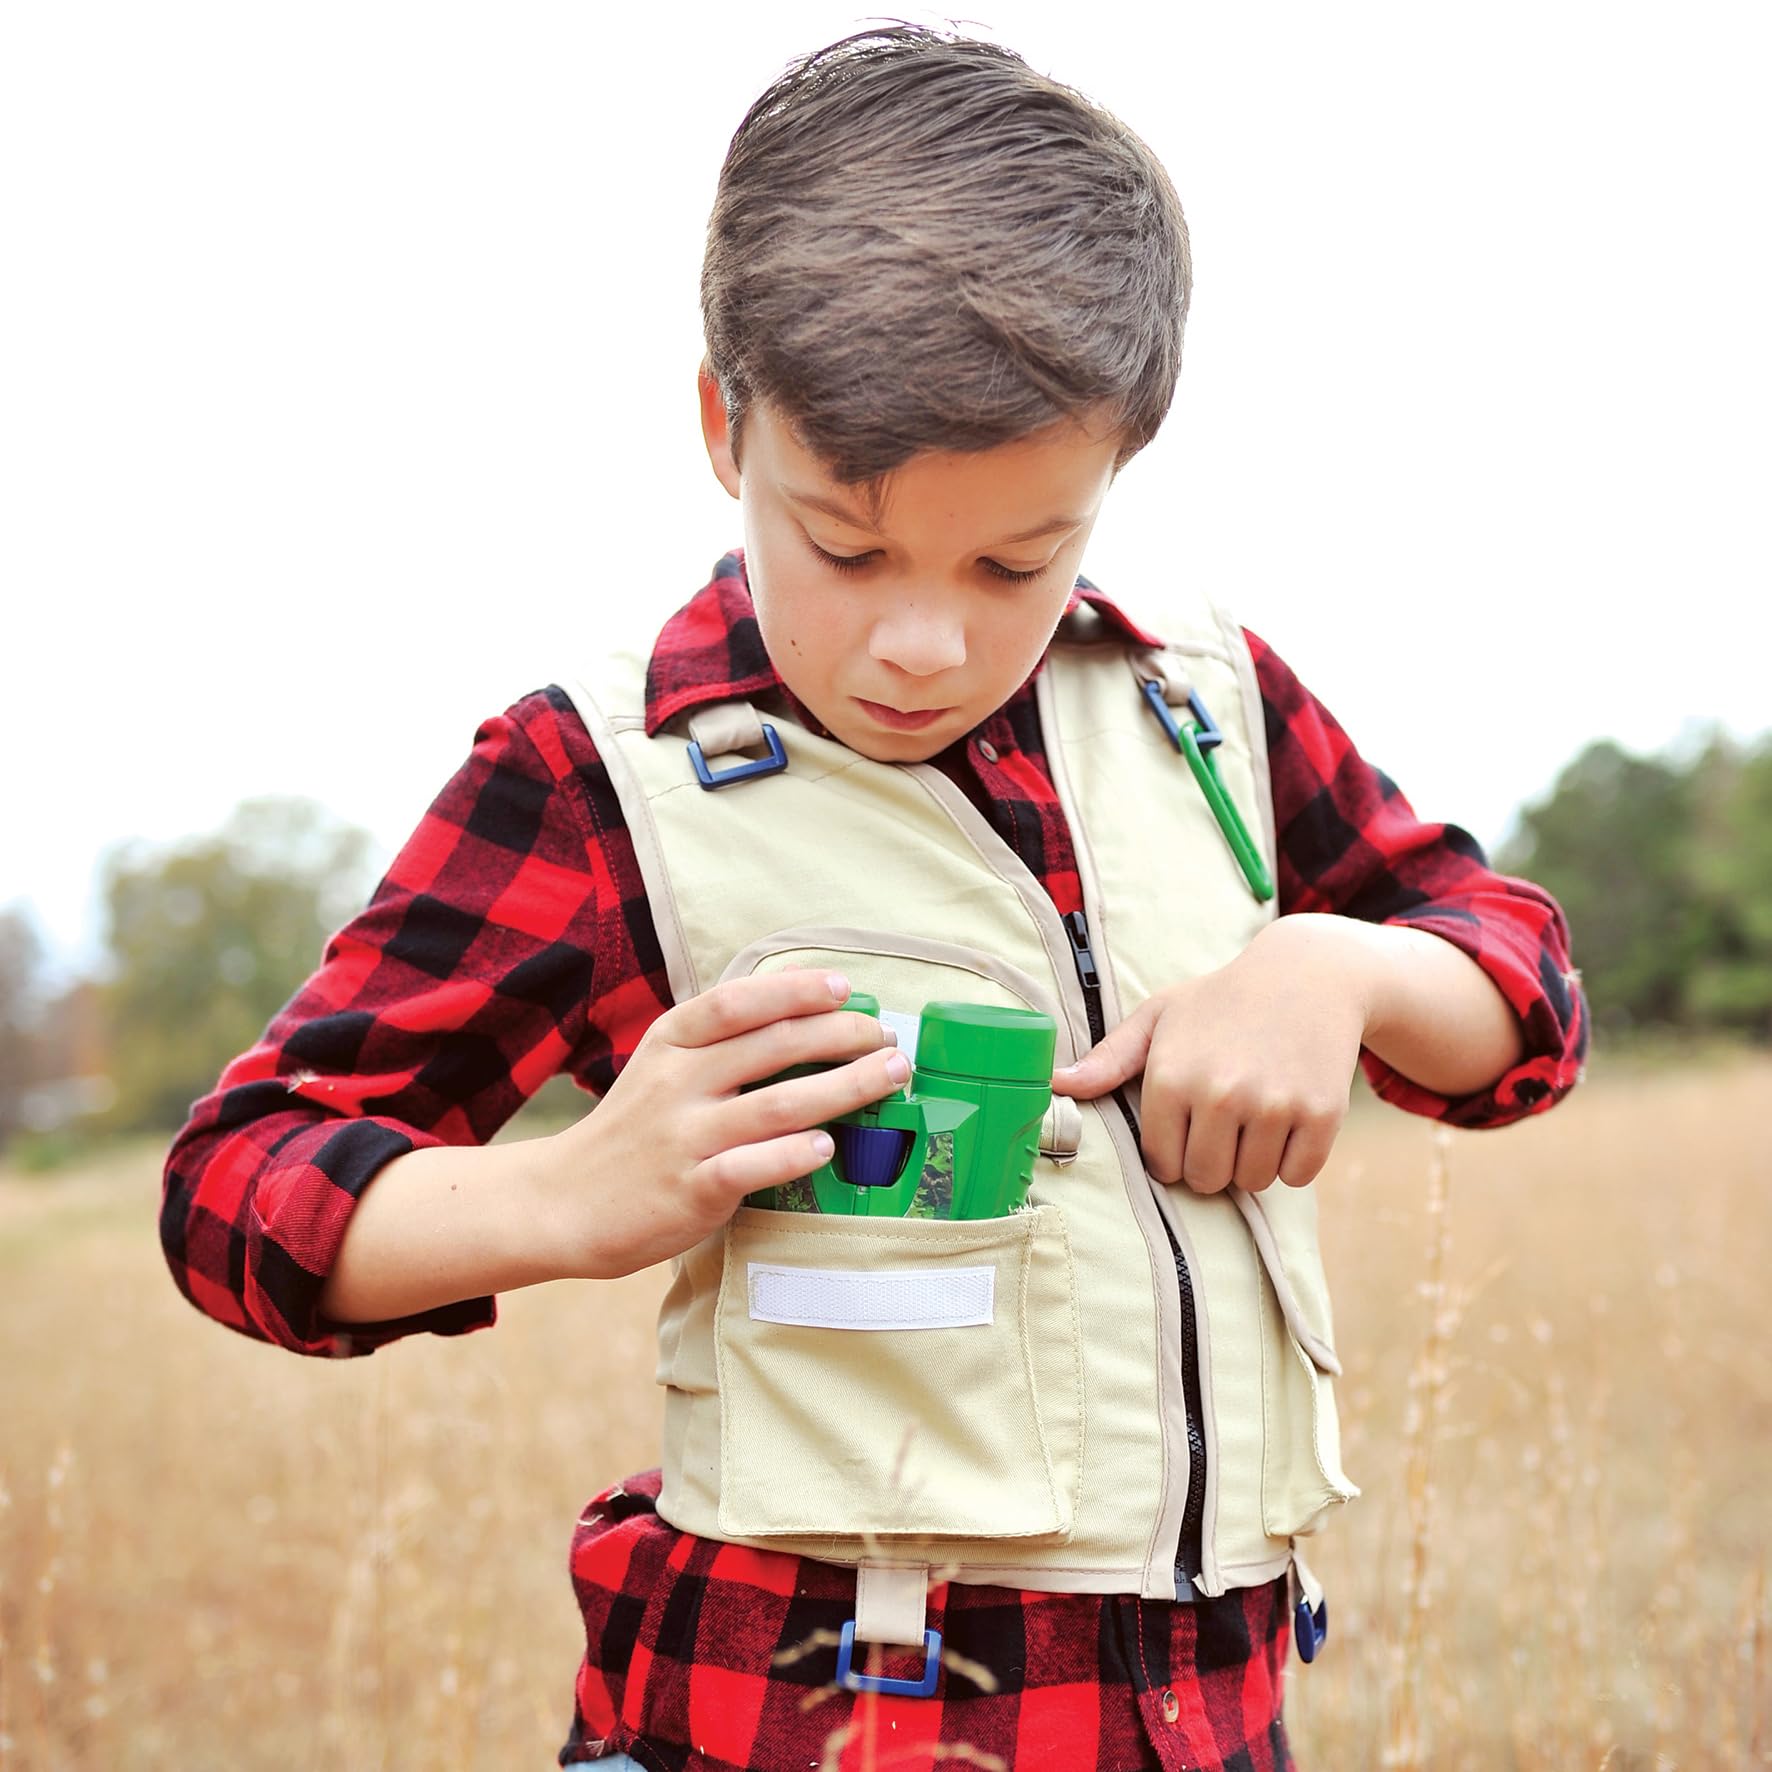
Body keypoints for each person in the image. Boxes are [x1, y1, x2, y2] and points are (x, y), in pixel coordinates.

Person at [161, 25, 1588, 1771]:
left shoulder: (1202, 699)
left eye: (1016, 560)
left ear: (1116, 471)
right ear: (723, 424)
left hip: (1206, 1723)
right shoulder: (604, 778)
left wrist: (1340, 968)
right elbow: (233, 1189)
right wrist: (568, 1195)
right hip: (795, 1719)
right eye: (845, 545)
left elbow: (1523, 997)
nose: (925, 641)